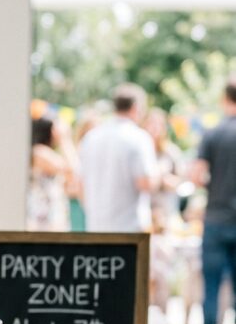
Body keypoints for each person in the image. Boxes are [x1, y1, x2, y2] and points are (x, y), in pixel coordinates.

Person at [80, 84, 158, 232]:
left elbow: (80, 185)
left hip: (95, 227)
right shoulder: (139, 137)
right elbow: (146, 183)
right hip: (130, 230)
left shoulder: (91, 137)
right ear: (136, 107)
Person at [192, 79, 236, 324]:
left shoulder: (213, 133)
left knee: (211, 288)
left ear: (225, 99)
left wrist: (213, 184)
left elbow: (197, 176)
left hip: (216, 219)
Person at [28, 113, 79, 231]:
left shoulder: (44, 153)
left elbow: (73, 180)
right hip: (41, 220)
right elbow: (72, 169)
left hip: (50, 219)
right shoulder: (39, 152)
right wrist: (65, 140)